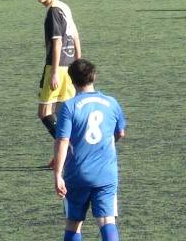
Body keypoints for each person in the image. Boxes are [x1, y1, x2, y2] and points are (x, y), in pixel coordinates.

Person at [53, 59, 126, 241]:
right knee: (107, 220)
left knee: (74, 223)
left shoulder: (69, 107)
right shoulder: (111, 102)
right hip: (106, 174)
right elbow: (120, 133)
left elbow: (63, 140)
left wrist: (58, 174)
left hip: (77, 174)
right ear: (93, 76)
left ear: (72, 80)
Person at [33, 0, 82, 158]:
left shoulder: (54, 10)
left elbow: (58, 42)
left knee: (44, 112)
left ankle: (68, 151)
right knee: (62, 114)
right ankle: (66, 153)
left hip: (56, 67)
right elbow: (75, 37)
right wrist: (78, 63)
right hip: (69, 66)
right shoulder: (64, 7)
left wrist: (53, 72)